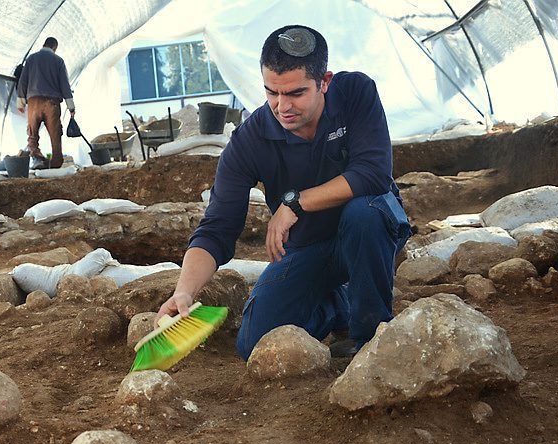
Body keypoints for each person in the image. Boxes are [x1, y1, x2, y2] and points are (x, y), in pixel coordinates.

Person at [155, 25, 410, 360]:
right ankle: (338, 304)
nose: (281, 106)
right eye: (271, 92)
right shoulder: (250, 141)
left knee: (363, 214)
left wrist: (295, 203)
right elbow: (217, 228)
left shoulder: (355, 92)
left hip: (370, 232)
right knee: (255, 344)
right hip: (311, 247)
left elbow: (373, 174)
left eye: (295, 93)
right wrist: (184, 291)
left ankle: (371, 337)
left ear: (325, 82)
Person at [16, 37, 75, 169]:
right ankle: (55, 166)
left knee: (32, 134)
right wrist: (71, 107)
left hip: (34, 103)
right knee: (55, 135)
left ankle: (37, 159)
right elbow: (65, 85)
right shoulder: (58, 61)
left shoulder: (31, 59)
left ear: (44, 45)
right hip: (52, 104)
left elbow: (23, 81)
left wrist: (21, 102)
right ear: (54, 48)